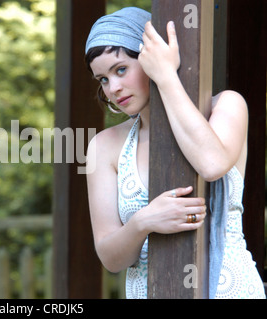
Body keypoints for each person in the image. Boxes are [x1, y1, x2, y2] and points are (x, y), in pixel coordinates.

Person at [84, 7, 266, 299]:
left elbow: (211, 163)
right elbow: (111, 258)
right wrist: (143, 222)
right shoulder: (104, 146)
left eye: (121, 70)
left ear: (150, 58)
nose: (113, 88)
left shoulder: (227, 106)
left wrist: (166, 77)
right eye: (103, 79)